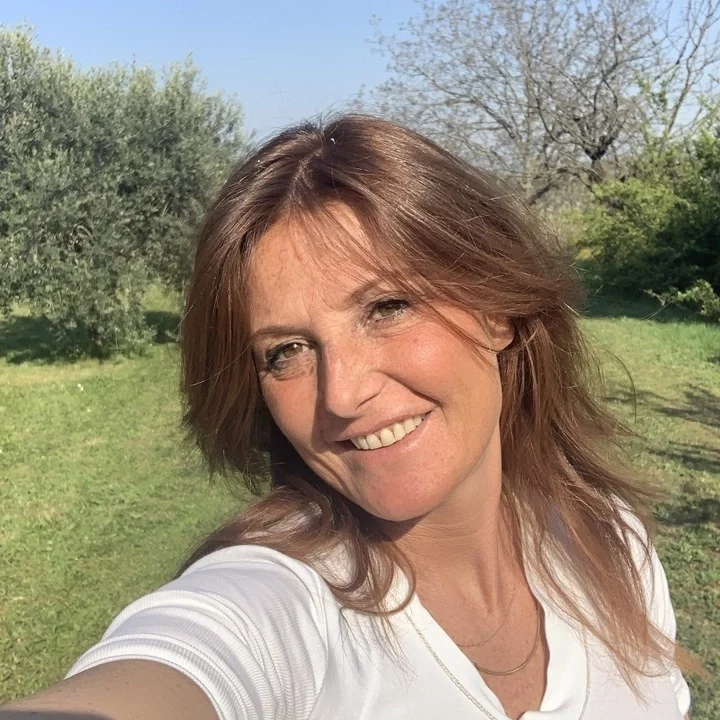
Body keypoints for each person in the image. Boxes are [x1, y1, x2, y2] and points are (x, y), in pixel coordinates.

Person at [1, 114, 693, 720]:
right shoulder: (274, 607)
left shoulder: (613, 545)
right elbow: (181, 662)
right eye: (287, 352)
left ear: (496, 311)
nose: (341, 394)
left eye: (387, 307)